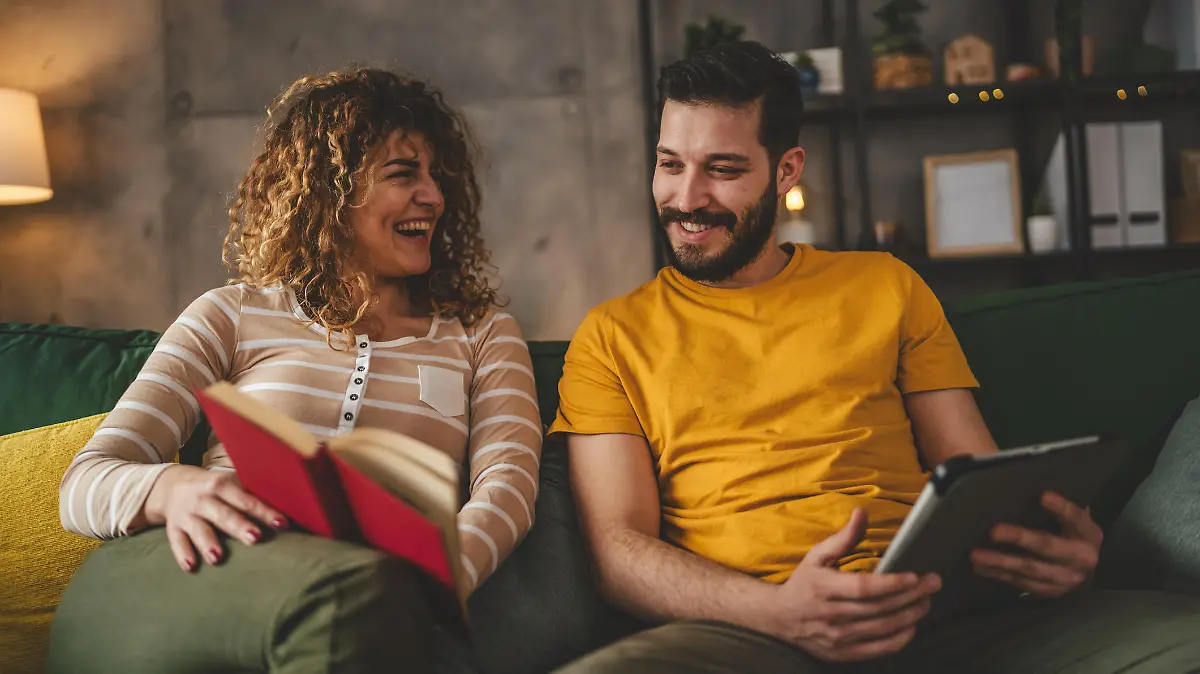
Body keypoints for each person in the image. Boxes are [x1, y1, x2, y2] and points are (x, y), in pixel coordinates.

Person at [548, 41, 1200, 673]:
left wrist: (1051, 552)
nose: (687, 199)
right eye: (669, 164)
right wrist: (778, 611)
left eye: (722, 169)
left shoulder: (884, 285)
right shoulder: (611, 336)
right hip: (745, 633)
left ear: (786, 171)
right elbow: (618, 552)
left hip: (935, 617)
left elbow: (973, 474)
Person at [50, 68, 541, 673]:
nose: (434, 195)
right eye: (403, 173)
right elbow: (84, 484)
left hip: (377, 599)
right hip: (215, 571)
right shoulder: (232, 314)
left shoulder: (481, 333)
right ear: (329, 193)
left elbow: (508, 486)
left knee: (354, 610)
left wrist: (444, 574)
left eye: (437, 176)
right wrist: (174, 489)